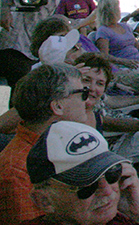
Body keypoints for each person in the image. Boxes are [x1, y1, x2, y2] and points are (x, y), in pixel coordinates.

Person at [25, 121, 139, 225]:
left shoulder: (112, 219)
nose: (108, 191)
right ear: (44, 201)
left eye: (112, 174)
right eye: (87, 186)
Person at [0, 64, 89, 224]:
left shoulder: (59, 145)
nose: (87, 100)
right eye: (83, 93)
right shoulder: (16, 172)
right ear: (58, 106)